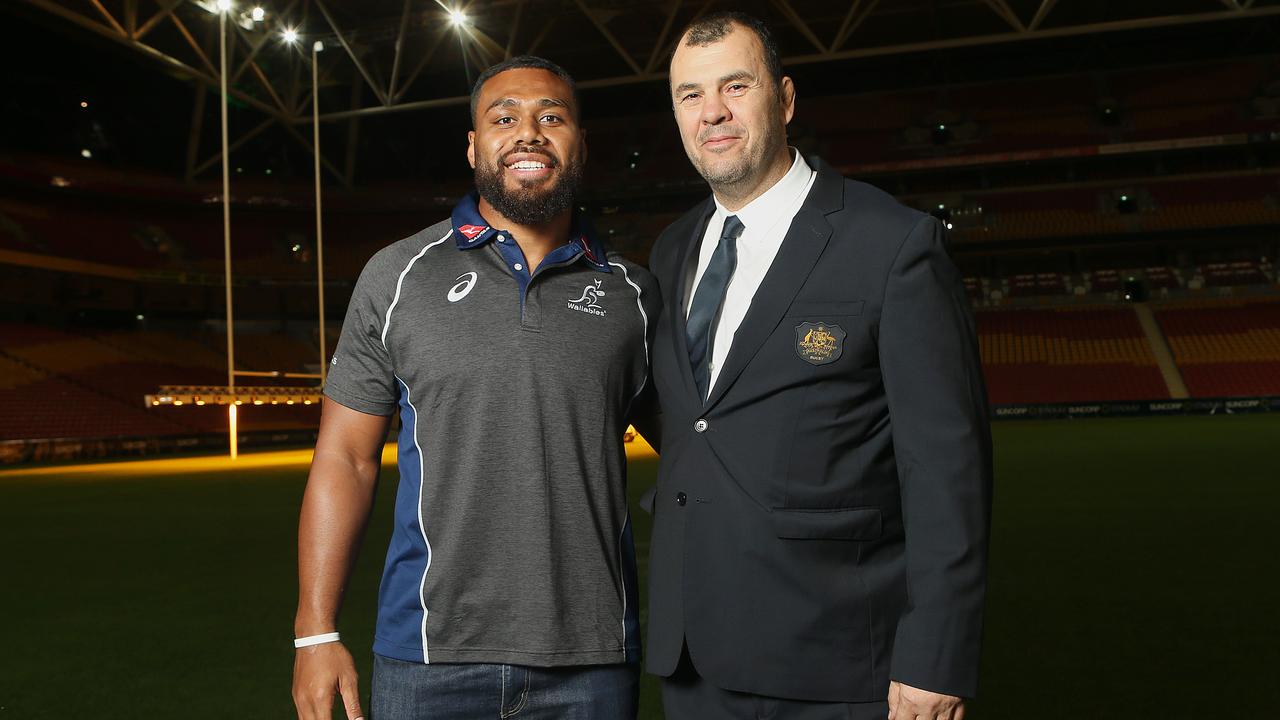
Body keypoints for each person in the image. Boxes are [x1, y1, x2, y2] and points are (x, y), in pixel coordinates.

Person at [643, 12, 993, 720]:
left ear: (786, 99)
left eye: (735, 87)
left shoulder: (892, 245)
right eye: (690, 94)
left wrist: (936, 655)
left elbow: (948, 469)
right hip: (693, 662)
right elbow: (696, 424)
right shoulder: (671, 251)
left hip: (836, 664)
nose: (712, 112)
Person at [291, 55, 658, 720]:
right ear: (473, 145)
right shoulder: (398, 275)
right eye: (504, 117)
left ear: (580, 144)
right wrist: (316, 631)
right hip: (429, 656)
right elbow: (344, 457)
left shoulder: (635, 294)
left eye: (552, 117)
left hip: (593, 660)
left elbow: (700, 447)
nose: (528, 132)